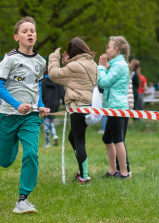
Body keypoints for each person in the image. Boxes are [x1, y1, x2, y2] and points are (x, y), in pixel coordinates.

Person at [0, 16, 49, 214]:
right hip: (9, 115)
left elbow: (37, 86)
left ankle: (23, 199)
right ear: (17, 37)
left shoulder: (41, 62)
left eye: (32, 31)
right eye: (25, 31)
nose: (30, 34)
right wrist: (17, 105)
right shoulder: (10, 59)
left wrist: (40, 106)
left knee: (31, 153)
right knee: (5, 161)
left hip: (31, 117)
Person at [49, 37, 97, 184]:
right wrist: (69, 63)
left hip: (78, 107)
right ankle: (82, 171)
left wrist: (54, 57)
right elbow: (78, 77)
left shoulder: (75, 66)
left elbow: (54, 74)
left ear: (72, 52)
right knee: (73, 137)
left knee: (79, 141)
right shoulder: (92, 63)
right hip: (90, 107)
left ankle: (84, 176)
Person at [98, 36, 131, 179]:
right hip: (113, 106)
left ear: (116, 49)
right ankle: (112, 170)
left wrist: (100, 66)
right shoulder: (115, 65)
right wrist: (106, 67)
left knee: (118, 139)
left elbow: (104, 82)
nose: (106, 50)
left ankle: (124, 172)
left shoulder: (119, 65)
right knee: (107, 138)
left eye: (109, 47)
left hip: (117, 107)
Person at [41, 71, 62, 148]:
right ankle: (54, 134)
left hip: (45, 105)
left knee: (46, 122)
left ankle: (47, 142)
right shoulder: (57, 81)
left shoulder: (42, 82)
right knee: (51, 120)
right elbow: (62, 92)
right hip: (55, 105)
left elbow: (41, 94)